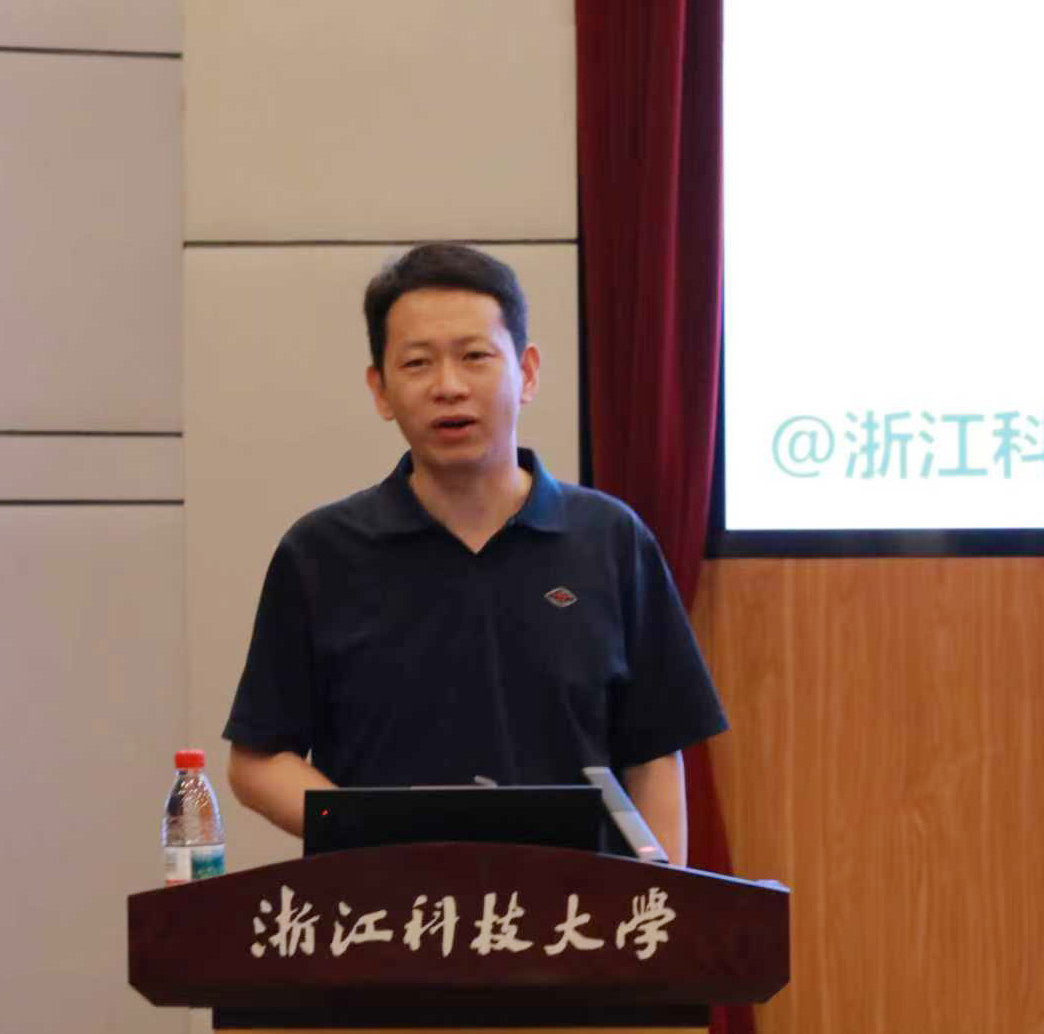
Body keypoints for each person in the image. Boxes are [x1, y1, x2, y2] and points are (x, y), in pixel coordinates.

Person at [224, 243, 726, 865]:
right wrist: (369, 834)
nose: (449, 387)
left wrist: (662, 906)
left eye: (475, 357)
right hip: (387, 910)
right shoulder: (321, 553)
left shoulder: (610, 540)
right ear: (381, 390)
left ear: (528, 373)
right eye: (417, 363)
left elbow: (654, 754)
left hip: (576, 914)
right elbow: (258, 761)